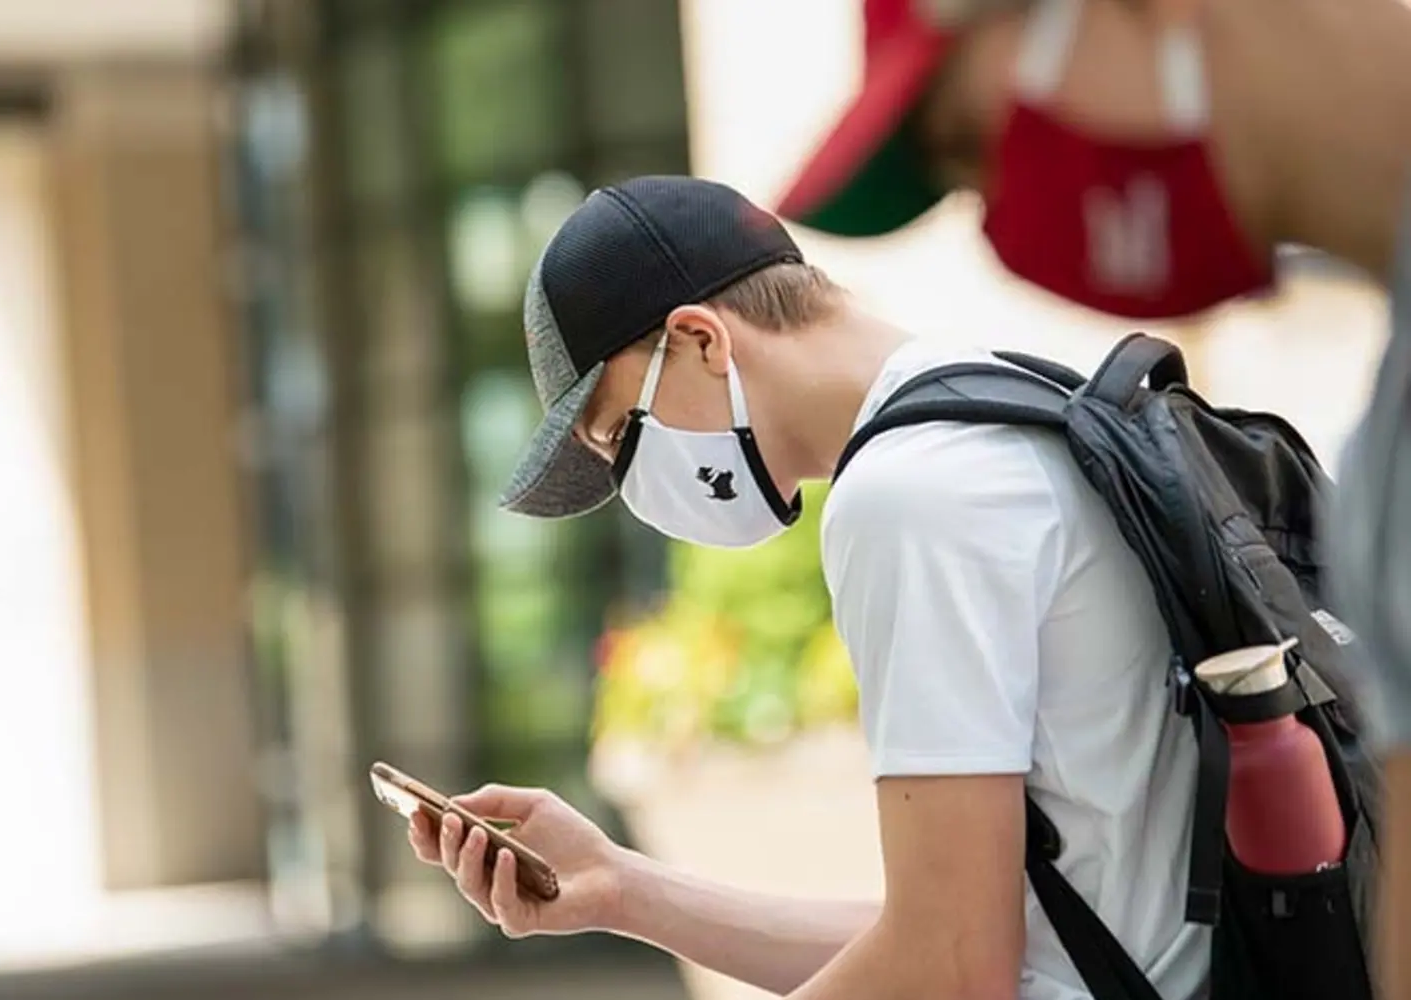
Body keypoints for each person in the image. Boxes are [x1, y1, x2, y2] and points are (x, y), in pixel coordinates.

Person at [409, 174, 1207, 1000]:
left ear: (702, 341)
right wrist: (623, 887)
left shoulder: (908, 495)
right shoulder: (1012, 407)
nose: (631, 483)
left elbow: (952, 967)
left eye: (617, 435)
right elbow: (975, 933)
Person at [775, 0, 1411, 995]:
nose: (997, 209)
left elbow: (949, 953)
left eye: (967, 139)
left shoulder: (915, 482)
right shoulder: (1381, 451)